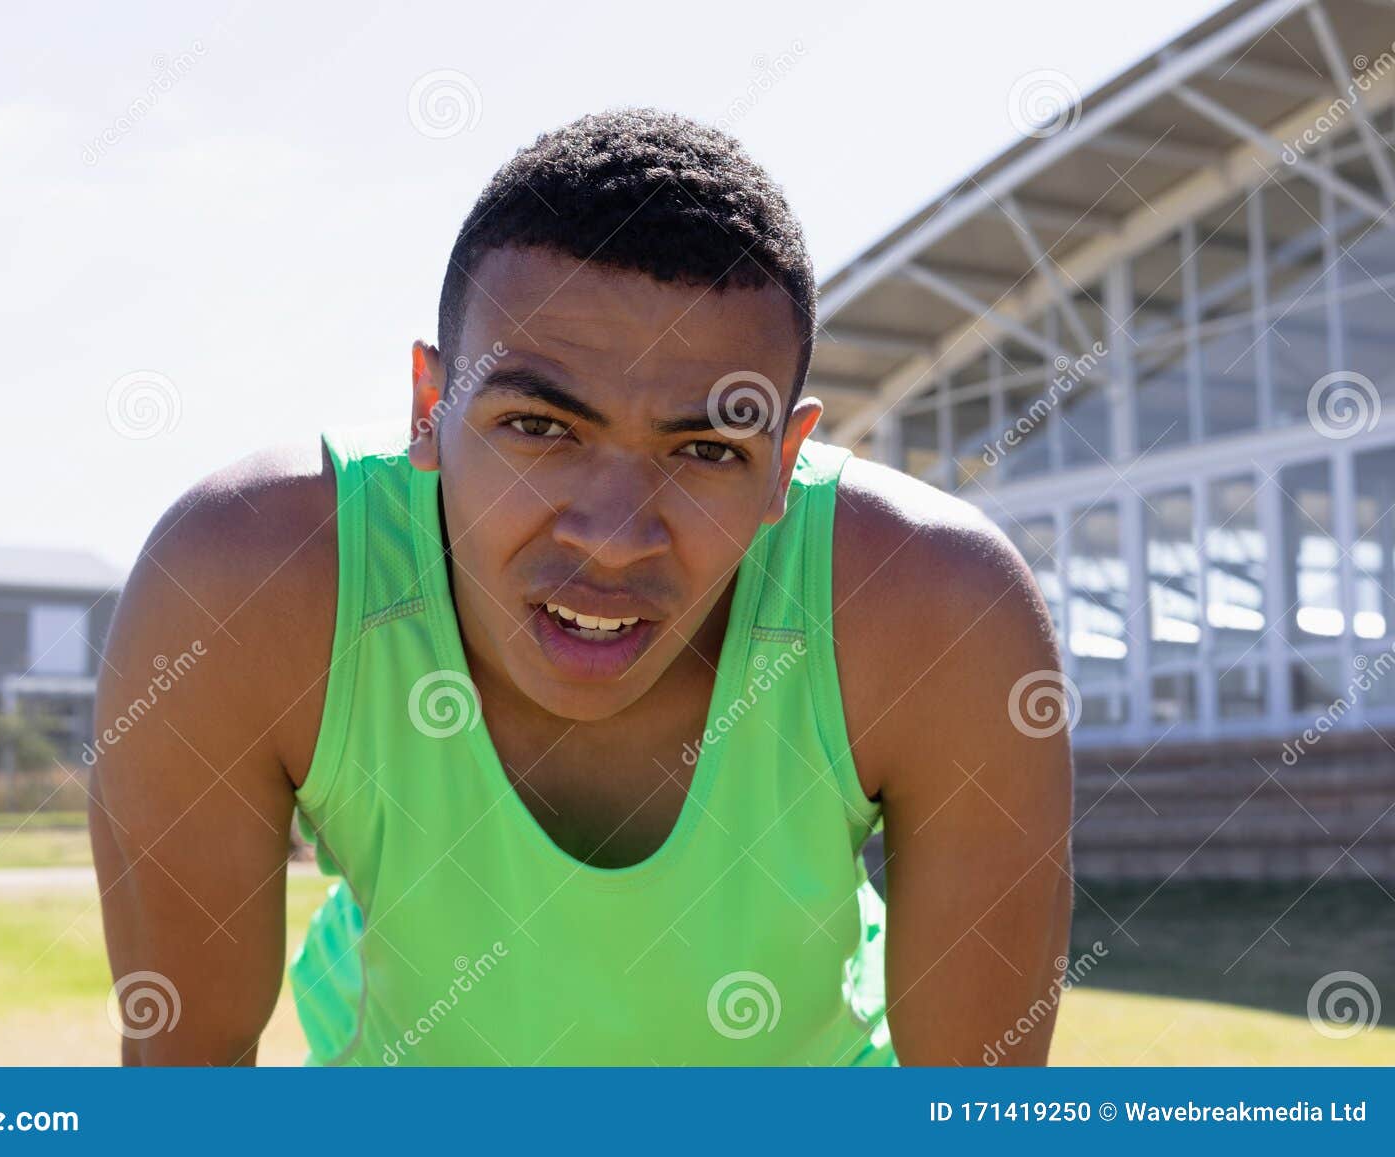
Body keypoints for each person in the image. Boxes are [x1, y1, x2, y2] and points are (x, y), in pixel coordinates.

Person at [88, 107, 1074, 1066]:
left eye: (704, 448)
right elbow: (187, 1076)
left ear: (782, 462)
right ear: (430, 408)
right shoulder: (247, 579)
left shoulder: (937, 609)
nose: (612, 538)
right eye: (541, 429)